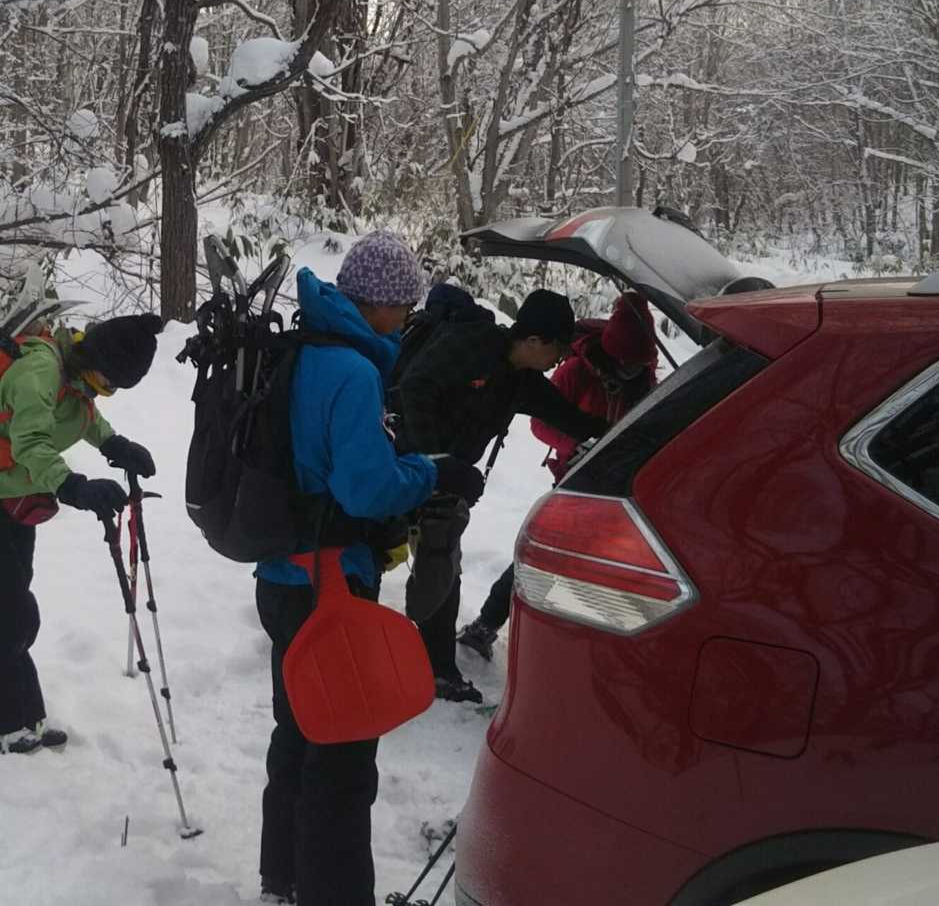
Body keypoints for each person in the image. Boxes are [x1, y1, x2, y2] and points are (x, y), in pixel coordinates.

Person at [254, 232, 482, 906]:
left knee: (298, 732)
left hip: (281, 575)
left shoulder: (301, 349)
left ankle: (283, 878)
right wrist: (430, 474)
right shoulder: (352, 372)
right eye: (404, 306)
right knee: (344, 758)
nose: (407, 318)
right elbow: (365, 490)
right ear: (378, 304)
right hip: (329, 585)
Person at [0, 313, 164, 755]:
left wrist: (113, 444)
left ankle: (24, 715)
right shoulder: (40, 370)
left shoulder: (74, 374)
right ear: (94, 358)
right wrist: (73, 487)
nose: (109, 391)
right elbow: (30, 443)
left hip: (14, 501)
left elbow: (81, 411)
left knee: (15, 613)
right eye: (110, 382)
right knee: (10, 617)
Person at [389, 287, 607, 703]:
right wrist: (434, 460)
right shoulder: (472, 345)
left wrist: (621, 432)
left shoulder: (520, 379)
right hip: (406, 464)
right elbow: (415, 386)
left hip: (445, 482)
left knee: (441, 558)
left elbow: (566, 416)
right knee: (376, 548)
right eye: (559, 350)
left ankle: (437, 668)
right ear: (535, 340)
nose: (560, 360)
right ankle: (346, 634)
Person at [458, 291, 660, 661]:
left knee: (602, 572)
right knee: (543, 554)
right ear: (612, 352)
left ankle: (575, 646)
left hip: (624, 490)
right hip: (575, 481)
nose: (631, 369)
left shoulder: (645, 381)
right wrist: (577, 445)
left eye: (638, 363)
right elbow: (541, 423)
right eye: (626, 362)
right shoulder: (577, 371)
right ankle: (486, 624)